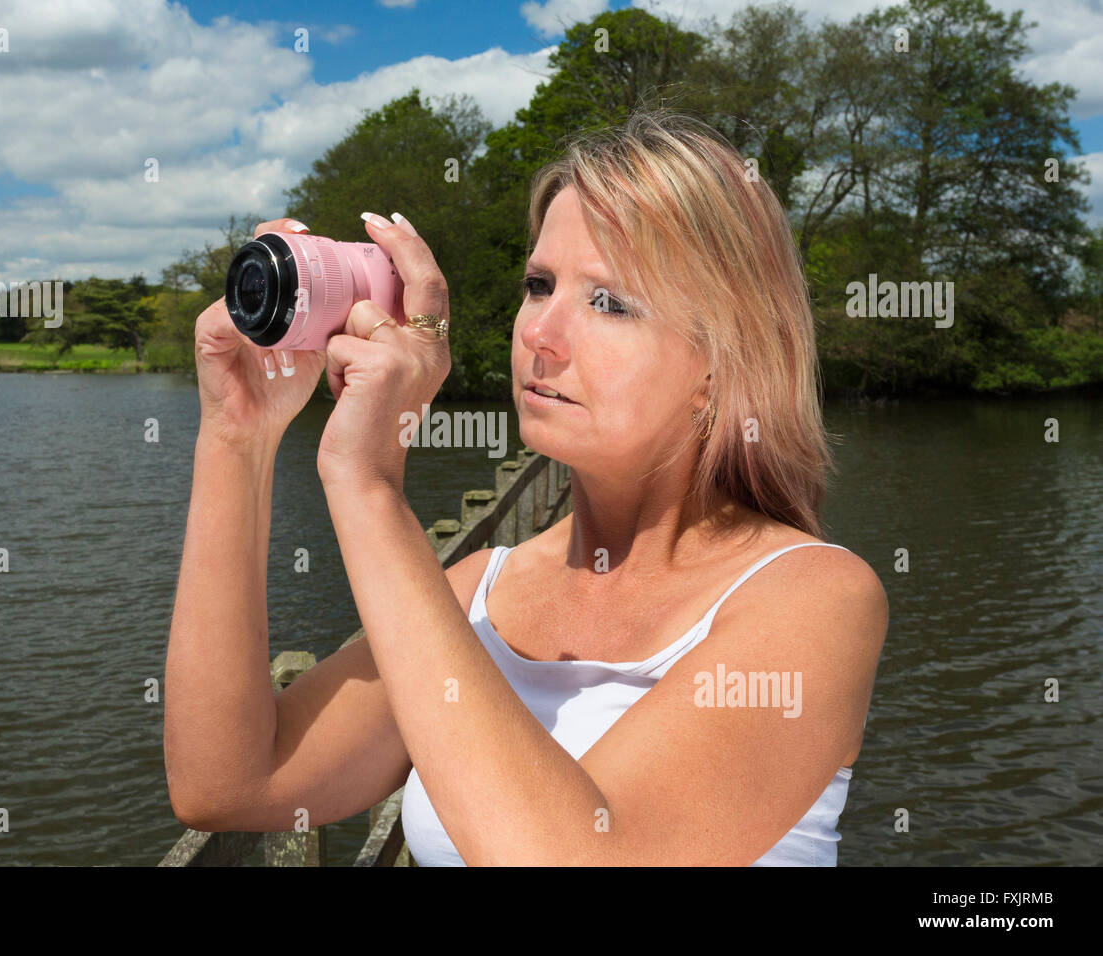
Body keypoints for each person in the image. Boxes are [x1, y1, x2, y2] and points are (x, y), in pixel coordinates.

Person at [163, 110, 888, 866]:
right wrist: (237, 436)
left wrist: (368, 484)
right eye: (539, 285)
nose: (540, 331)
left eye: (609, 300)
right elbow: (233, 781)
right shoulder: (477, 595)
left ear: (720, 365)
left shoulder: (814, 601)